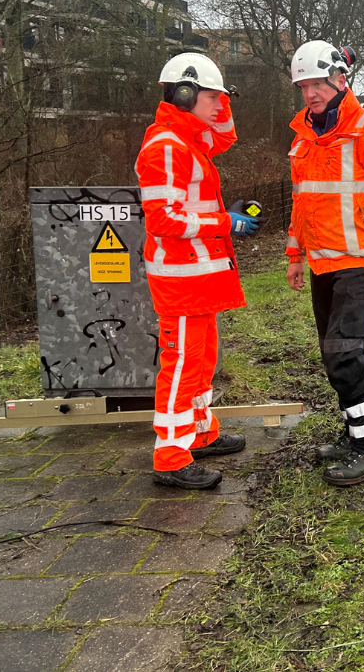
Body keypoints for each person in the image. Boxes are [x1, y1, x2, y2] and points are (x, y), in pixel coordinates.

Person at [285, 40, 364, 486]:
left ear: (341, 80)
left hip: (361, 262)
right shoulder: (304, 137)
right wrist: (295, 253)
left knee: (344, 353)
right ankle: (357, 431)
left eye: (318, 84)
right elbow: (302, 204)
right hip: (322, 264)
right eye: (304, 86)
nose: (311, 94)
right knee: (332, 353)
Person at [135, 53, 264, 490]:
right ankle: (170, 457)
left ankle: (198, 434)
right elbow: (164, 220)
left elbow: (225, 138)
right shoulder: (166, 147)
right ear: (185, 94)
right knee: (183, 365)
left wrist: (219, 99)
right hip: (181, 279)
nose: (219, 106)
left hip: (198, 277)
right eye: (211, 97)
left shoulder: (190, 139)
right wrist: (225, 222)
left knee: (202, 360)